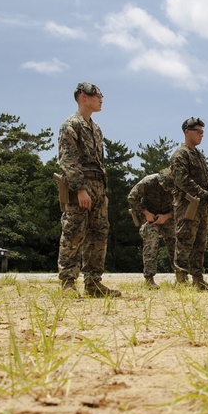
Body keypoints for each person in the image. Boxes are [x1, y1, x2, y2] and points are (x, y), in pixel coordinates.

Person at [57, 81, 120, 297]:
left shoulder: (95, 129)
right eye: (98, 95)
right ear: (84, 96)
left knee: (99, 234)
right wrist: (79, 189)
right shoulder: (71, 125)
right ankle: (67, 282)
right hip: (79, 186)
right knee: (74, 232)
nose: (101, 99)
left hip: (98, 187)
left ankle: (93, 283)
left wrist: (102, 192)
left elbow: (99, 163)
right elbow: (68, 159)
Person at [166, 117, 208, 292]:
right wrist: (205, 194)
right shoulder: (180, 154)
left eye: (202, 132)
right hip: (187, 205)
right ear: (187, 132)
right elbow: (182, 180)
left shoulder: (199, 155)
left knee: (200, 243)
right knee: (184, 242)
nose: (201, 135)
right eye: (198, 131)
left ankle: (198, 280)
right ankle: (181, 280)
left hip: (201, 206)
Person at [127, 170, 177, 289]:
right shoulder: (148, 182)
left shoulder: (178, 185)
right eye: (165, 187)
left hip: (168, 216)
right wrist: (145, 212)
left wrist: (167, 216)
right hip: (149, 216)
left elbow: (182, 206)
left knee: (176, 243)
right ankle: (149, 279)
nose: (166, 190)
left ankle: (180, 277)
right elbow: (131, 197)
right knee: (151, 240)